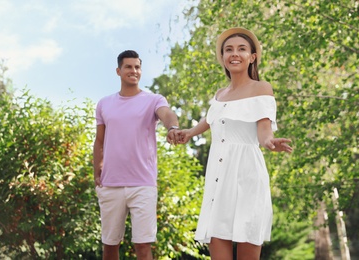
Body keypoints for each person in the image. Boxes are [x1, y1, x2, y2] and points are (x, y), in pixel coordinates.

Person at [175, 27, 293, 259]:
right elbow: (210, 120)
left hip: (247, 176)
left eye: (241, 49)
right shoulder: (220, 94)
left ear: (252, 57)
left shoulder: (261, 88)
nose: (234, 54)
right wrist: (188, 133)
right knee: (217, 241)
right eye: (228, 50)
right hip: (218, 178)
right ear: (222, 57)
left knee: (248, 236)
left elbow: (264, 131)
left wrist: (270, 142)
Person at [93, 50, 179, 260]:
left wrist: (173, 127)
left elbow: (167, 114)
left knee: (143, 247)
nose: (134, 71)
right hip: (111, 184)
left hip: (143, 184)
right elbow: (99, 140)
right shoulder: (104, 103)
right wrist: (96, 171)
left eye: (137, 67)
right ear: (119, 71)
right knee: (110, 246)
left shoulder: (153, 100)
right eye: (129, 67)